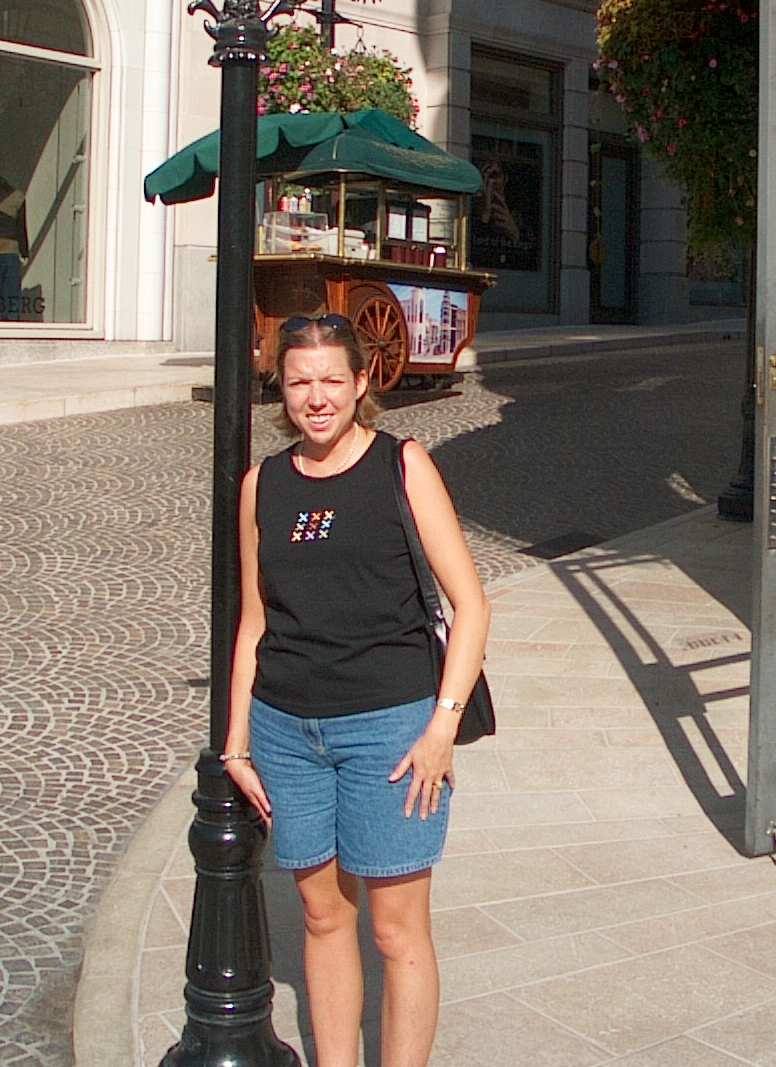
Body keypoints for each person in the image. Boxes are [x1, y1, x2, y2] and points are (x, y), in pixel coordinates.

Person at [223, 312, 491, 1067]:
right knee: (322, 917)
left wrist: (442, 727)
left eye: (332, 380)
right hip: (287, 732)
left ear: (362, 382)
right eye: (299, 382)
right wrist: (236, 743)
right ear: (281, 388)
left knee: (395, 930)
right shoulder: (263, 485)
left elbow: (471, 605)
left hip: (392, 731)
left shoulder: (401, 466)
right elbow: (254, 622)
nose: (317, 398)